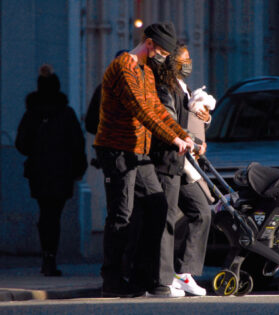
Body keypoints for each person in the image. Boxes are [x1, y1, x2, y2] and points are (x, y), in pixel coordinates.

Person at [93, 22, 194, 298]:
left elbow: (157, 111)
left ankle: (143, 276)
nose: (163, 55)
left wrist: (184, 136)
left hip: (139, 151)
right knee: (121, 214)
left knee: (157, 205)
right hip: (117, 149)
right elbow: (140, 109)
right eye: (160, 50)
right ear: (148, 43)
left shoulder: (147, 72)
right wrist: (174, 140)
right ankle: (112, 279)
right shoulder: (123, 66)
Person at [149, 43, 215, 296]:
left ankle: (184, 271)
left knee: (201, 211)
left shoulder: (183, 87)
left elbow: (188, 119)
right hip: (170, 160)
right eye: (185, 59)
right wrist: (193, 141)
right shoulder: (165, 87)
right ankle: (162, 277)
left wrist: (204, 120)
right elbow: (170, 122)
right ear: (174, 62)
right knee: (167, 219)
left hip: (186, 162)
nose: (189, 64)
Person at [15, 64, 88, 277]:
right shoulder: (66, 113)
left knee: (45, 213)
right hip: (61, 173)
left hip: (38, 172)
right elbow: (77, 143)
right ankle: (50, 257)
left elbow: (21, 144)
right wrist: (78, 168)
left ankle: (46, 256)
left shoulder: (31, 113)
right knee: (53, 215)